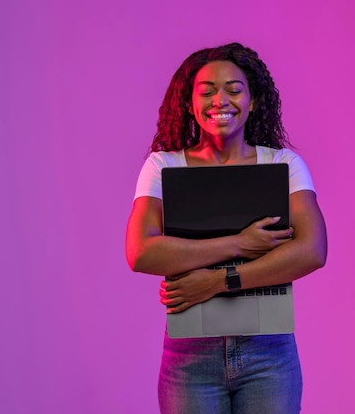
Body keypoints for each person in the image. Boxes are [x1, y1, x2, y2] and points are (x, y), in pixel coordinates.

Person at [125, 42, 327, 414]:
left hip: (268, 353)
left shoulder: (283, 164)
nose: (221, 100)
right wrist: (240, 243)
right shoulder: (163, 167)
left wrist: (219, 281)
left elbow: (312, 250)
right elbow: (141, 251)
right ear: (189, 104)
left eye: (234, 90)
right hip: (190, 358)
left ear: (254, 102)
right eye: (207, 92)